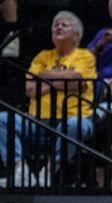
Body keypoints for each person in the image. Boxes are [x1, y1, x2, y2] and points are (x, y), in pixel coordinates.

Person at [0, 11, 95, 184]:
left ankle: (51, 170)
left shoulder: (85, 56)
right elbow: (30, 89)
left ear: (76, 36)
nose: (58, 26)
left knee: (75, 125)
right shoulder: (42, 56)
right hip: (37, 122)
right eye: (55, 25)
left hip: (71, 119)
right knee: (2, 119)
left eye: (64, 25)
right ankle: (19, 170)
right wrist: (63, 80)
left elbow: (77, 81)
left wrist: (44, 76)